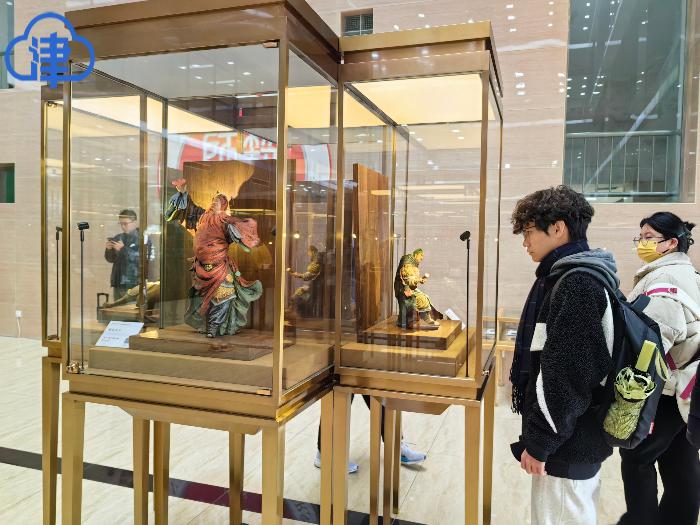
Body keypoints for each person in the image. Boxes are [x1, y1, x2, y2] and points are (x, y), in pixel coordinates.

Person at [509, 185, 617, 525]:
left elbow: (567, 376)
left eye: (529, 231)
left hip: (568, 444)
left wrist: (541, 442)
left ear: (558, 228)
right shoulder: (575, 274)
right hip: (572, 438)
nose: (525, 242)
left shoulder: (577, 283)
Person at [618, 212, 700, 525]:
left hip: (665, 388)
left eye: (649, 237)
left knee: (636, 457)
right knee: (681, 460)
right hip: (688, 386)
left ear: (671, 243)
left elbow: (653, 341)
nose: (642, 243)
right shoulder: (689, 273)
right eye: (640, 237)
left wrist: (630, 386)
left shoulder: (665, 280)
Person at [165, 179, 263, 338]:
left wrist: (247, 235)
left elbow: (242, 230)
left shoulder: (226, 220)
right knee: (202, 298)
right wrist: (182, 192)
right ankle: (205, 325)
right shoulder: (202, 216)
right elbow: (189, 208)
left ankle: (214, 327)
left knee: (223, 296)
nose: (214, 203)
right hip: (201, 266)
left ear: (223, 204)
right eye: (213, 200)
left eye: (217, 201)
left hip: (219, 266)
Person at [104, 209, 149, 300]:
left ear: (134, 222)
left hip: (134, 282)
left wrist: (123, 249)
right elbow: (110, 259)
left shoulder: (142, 238)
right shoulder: (119, 237)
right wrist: (109, 249)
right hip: (118, 283)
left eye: (125, 223)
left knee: (132, 307)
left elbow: (141, 259)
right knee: (118, 307)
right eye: (121, 224)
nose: (123, 226)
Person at [394, 248, 443, 330]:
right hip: (403, 289)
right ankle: (408, 321)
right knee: (414, 299)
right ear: (416, 254)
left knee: (425, 297)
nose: (422, 258)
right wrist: (419, 280)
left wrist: (421, 280)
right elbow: (408, 280)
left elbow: (413, 279)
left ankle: (426, 318)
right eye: (421, 256)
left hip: (409, 288)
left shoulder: (413, 264)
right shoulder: (407, 263)